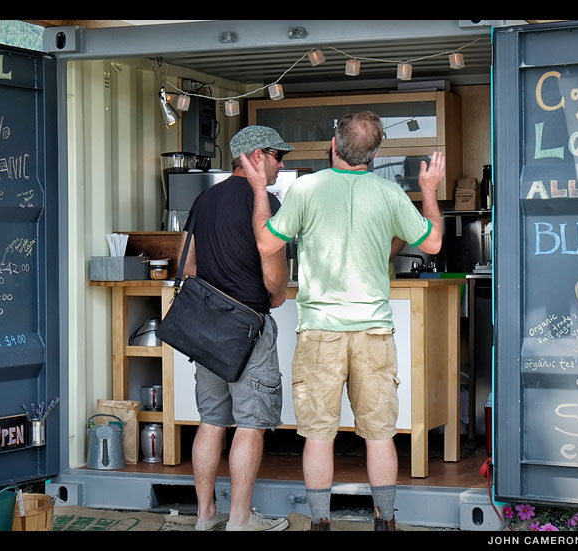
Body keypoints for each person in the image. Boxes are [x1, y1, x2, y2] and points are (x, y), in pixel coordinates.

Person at [241, 111, 444, 531]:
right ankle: (385, 521)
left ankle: (320, 524)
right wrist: (428, 191)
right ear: (374, 154)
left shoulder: (306, 189)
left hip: (319, 334)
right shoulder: (390, 194)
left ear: (334, 145)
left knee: (318, 434)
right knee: (379, 433)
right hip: (373, 332)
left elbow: (266, 242)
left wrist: (261, 188)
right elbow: (434, 242)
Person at [177, 125, 293, 532]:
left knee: (211, 420)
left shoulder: (205, 199)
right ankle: (241, 520)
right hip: (248, 327)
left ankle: (206, 516)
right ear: (258, 155)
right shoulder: (267, 205)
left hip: (207, 327)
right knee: (250, 422)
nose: (282, 164)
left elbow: (187, 263)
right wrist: (274, 296)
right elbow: (275, 277)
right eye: (279, 156)